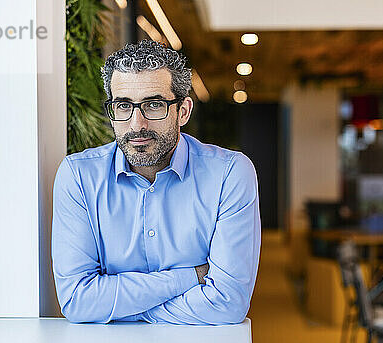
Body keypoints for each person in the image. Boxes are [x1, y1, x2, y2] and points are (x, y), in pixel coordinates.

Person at [51, 40, 261, 325]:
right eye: (123, 106)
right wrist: (191, 277)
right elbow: (78, 301)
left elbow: (227, 303)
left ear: (183, 111)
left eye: (153, 105)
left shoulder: (230, 174)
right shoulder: (78, 176)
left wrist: (121, 309)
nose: (137, 124)